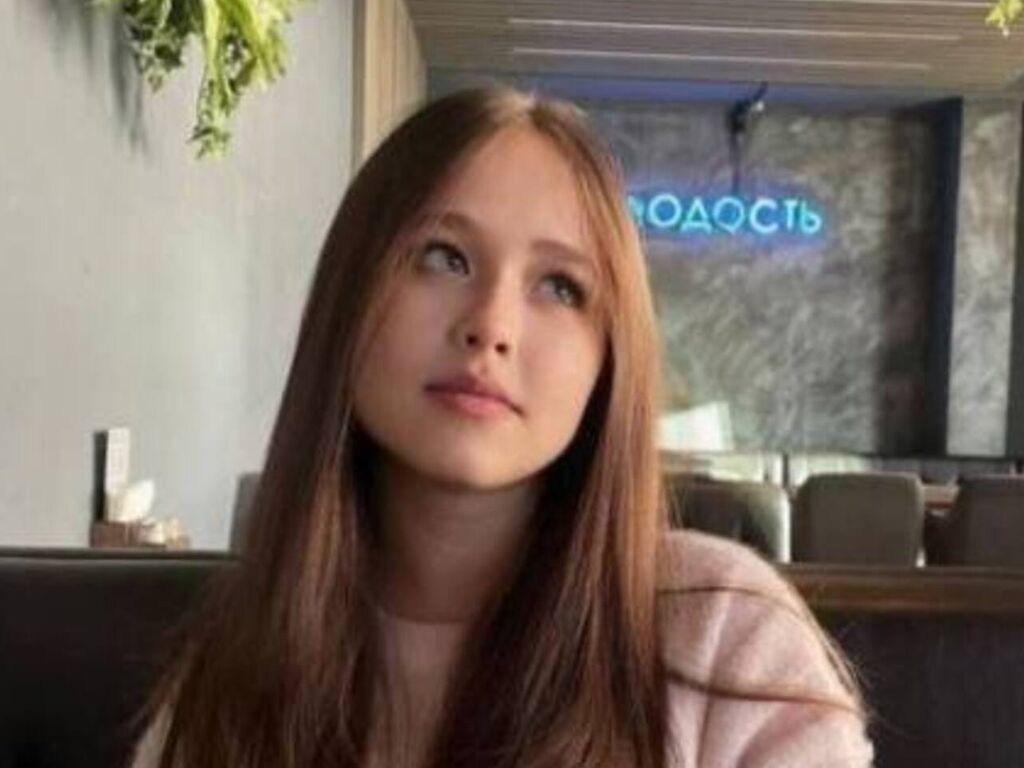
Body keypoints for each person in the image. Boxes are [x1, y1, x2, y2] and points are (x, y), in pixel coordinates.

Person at [130, 87, 873, 768]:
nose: (491, 326)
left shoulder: (726, 641)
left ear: (609, 360)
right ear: (348, 295)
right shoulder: (225, 671)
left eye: (560, 287)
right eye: (442, 257)